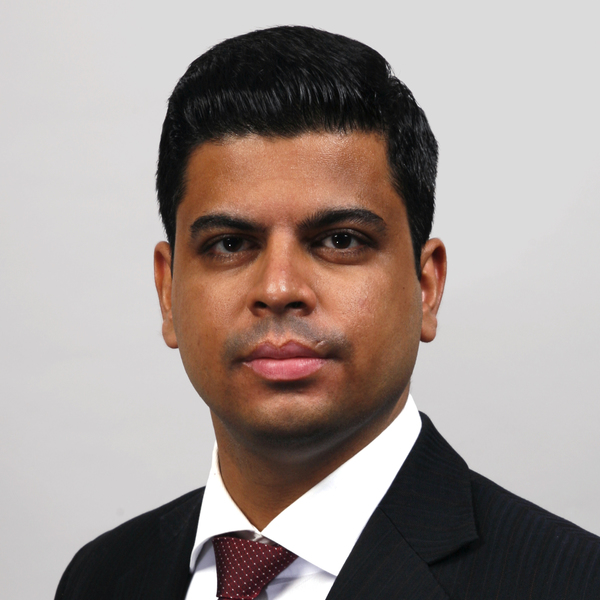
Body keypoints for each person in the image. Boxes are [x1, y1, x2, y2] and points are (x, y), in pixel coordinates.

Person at [54, 26, 600, 600]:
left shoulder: (573, 584)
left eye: (340, 240)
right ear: (168, 291)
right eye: (230, 244)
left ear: (426, 286)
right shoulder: (101, 576)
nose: (279, 289)